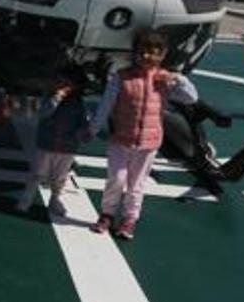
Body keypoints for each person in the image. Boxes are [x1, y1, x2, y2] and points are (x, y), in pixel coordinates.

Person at [87, 28, 197, 240]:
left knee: (136, 184)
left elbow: (191, 98)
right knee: (117, 179)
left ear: (162, 55)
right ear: (135, 53)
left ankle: (129, 220)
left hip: (149, 142)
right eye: (143, 51)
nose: (148, 56)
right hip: (121, 138)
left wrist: (179, 79)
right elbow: (105, 106)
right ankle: (107, 214)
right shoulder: (122, 78)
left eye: (154, 52)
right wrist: (92, 128)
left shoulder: (164, 80)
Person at [15, 69, 91, 218]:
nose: (61, 85)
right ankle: (26, 199)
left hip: (68, 146)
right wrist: (56, 98)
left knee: (60, 177)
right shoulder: (49, 98)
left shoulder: (78, 103)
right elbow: (43, 113)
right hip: (46, 144)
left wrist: (82, 132)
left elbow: (83, 122)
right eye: (59, 81)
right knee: (37, 173)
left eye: (66, 83)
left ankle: (55, 200)